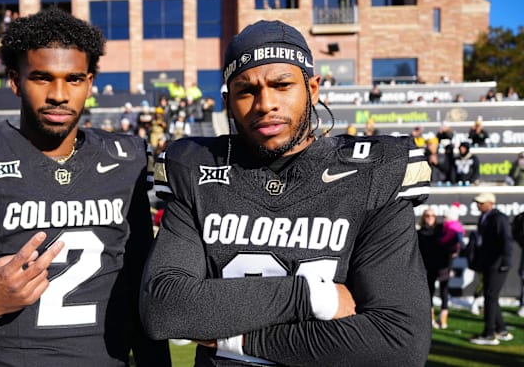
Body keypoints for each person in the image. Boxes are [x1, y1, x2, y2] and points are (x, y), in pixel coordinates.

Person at [141, 19, 432, 366]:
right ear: (227, 101)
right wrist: (311, 296)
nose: (265, 104)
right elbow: (163, 308)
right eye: (246, 90)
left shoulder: (372, 172)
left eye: (282, 85)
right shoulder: (195, 168)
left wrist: (234, 341)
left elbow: (399, 343)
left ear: (313, 88)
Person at [0, 7, 170, 367]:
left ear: (90, 82)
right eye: (42, 78)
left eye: (74, 79)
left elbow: (142, 294)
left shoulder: (127, 158)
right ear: (15, 81)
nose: (59, 94)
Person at [468, 193, 514, 345]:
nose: (478, 205)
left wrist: (505, 262)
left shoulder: (499, 218)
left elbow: (506, 240)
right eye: (477, 203)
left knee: (490, 296)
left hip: (498, 264)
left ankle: (489, 333)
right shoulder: (484, 217)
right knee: (491, 296)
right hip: (489, 263)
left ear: (490, 203)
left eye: (481, 203)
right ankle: (501, 330)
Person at [416, 209, 459, 330]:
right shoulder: (419, 233)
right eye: (427, 215)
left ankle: (443, 318)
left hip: (443, 265)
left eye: (433, 215)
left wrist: (451, 263)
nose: (430, 218)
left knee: (444, 291)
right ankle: (430, 318)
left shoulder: (441, 229)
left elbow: (452, 243)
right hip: (427, 267)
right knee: (428, 292)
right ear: (423, 217)